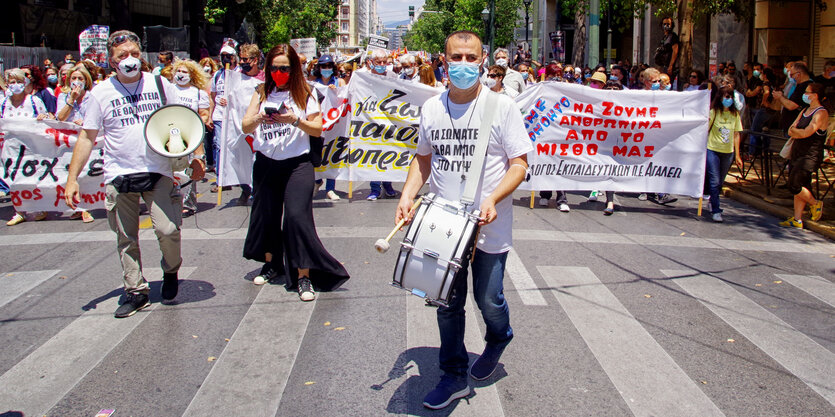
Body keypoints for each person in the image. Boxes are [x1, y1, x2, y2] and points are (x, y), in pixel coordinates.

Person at [395, 30, 531, 410]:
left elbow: (520, 165)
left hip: (489, 223)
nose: (465, 65)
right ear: (444, 59)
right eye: (457, 58)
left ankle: (499, 336)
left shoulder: (502, 107)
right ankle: (453, 375)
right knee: (447, 303)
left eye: (472, 58)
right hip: (444, 224)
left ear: (483, 60)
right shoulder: (432, 108)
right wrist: (408, 195)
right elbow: (423, 158)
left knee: (489, 300)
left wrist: (492, 199)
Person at [64, 30, 205, 317]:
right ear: (111, 61)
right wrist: (71, 179)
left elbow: (184, 119)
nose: (129, 60)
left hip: (158, 170)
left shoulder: (160, 84)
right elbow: (87, 137)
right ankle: (135, 290)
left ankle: (170, 271)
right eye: (122, 56)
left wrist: (197, 155)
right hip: (119, 174)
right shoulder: (101, 93)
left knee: (168, 230)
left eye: (134, 54)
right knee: (126, 237)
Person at [240, 43, 350, 299]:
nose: (279, 73)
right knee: (266, 215)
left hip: (297, 165)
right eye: (274, 68)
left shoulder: (306, 92)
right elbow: (246, 125)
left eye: (285, 68)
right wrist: (259, 118)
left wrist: (295, 121)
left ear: (295, 69)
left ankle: (304, 275)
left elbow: (318, 128)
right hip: (267, 162)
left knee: (297, 217)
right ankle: (272, 263)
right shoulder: (260, 91)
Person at [161, 58, 212, 216]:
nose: (181, 74)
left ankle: (188, 203)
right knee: (170, 169)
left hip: (190, 136)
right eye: (178, 71)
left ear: (192, 75)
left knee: (189, 168)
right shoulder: (167, 90)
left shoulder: (198, 93)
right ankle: (170, 199)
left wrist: (193, 124)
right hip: (170, 135)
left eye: (185, 72)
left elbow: (204, 115)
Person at [3, 68, 50, 226]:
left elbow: (47, 120)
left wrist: (42, 118)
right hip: (10, 150)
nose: (15, 85)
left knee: (33, 178)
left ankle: (39, 207)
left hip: (31, 149)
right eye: (12, 82)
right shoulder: (3, 103)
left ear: (25, 83)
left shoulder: (33, 101)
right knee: (14, 180)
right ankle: (19, 211)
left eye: (18, 82)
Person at [779, 83, 830, 228]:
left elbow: (808, 132)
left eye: (807, 92)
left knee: (794, 185)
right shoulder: (805, 110)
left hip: (810, 155)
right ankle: (797, 219)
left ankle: (815, 203)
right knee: (802, 185)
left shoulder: (821, 113)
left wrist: (798, 132)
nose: (805, 95)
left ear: (815, 95)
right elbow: (790, 129)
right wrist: (797, 132)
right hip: (797, 152)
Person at [637, 67, 677, 204]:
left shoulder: (664, 96)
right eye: (655, 81)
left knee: (659, 163)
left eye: (659, 81)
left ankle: (662, 193)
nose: (658, 83)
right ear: (647, 82)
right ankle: (644, 189)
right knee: (646, 162)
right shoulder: (639, 96)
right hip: (643, 135)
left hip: (659, 135)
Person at [704, 86, 743, 223]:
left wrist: (738, 155)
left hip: (728, 152)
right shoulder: (714, 112)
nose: (729, 100)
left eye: (731, 97)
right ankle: (716, 210)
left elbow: (736, 134)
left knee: (720, 181)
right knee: (714, 181)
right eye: (726, 97)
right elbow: (705, 130)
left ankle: (712, 200)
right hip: (712, 149)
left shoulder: (735, 115)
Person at [366, 48, 397, 200]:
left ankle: (388, 184)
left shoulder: (392, 76)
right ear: (371, 63)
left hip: (388, 121)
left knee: (388, 152)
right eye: (379, 62)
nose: (383, 65)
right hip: (369, 122)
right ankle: (374, 188)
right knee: (374, 154)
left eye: (385, 62)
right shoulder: (363, 77)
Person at [312, 54, 343, 201]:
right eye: (323, 66)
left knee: (332, 156)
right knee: (316, 156)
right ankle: (317, 181)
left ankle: (330, 188)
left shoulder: (339, 81)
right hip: (319, 124)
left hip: (335, 125)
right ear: (319, 68)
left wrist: (337, 91)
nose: (326, 69)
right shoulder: (313, 84)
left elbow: (346, 97)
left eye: (329, 66)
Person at [209, 44, 239, 193]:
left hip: (235, 117)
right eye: (223, 56)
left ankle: (239, 177)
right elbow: (212, 96)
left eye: (228, 56)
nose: (225, 58)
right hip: (220, 116)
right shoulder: (217, 75)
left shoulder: (239, 74)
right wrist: (211, 112)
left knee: (236, 147)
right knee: (220, 146)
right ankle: (221, 180)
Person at [748, 68, 782, 160]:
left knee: (755, 130)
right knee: (765, 130)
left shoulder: (766, 84)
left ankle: (752, 152)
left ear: (765, 75)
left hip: (765, 109)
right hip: (771, 111)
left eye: (762, 73)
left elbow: (766, 92)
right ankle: (764, 151)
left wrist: (764, 102)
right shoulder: (774, 84)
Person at [776, 62, 813, 135]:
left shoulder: (805, 87)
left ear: (798, 74)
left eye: (792, 74)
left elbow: (792, 106)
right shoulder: (798, 86)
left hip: (796, 128)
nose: (791, 77)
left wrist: (780, 97)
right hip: (790, 127)